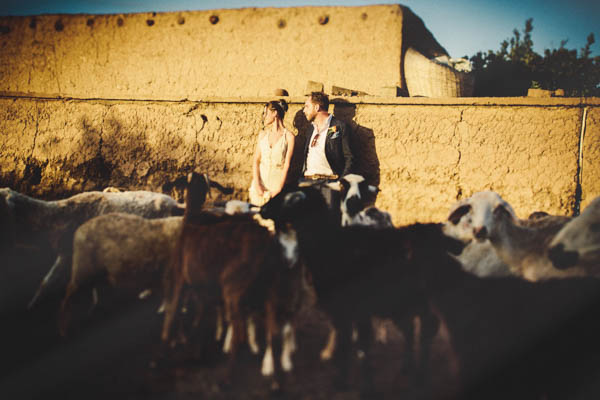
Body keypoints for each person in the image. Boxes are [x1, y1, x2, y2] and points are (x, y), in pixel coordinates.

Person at [249, 99, 295, 206]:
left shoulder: (289, 137)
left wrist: (279, 189)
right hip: (260, 184)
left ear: (275, 113)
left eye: (266, 113)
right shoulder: (263, 135)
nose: (264, 116)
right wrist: (257, 185)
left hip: (276, 185)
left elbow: (287, 165)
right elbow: (256, 161)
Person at [301, 91, 354, 181]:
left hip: (329, 183)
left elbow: (350, 158)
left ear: (317, 107)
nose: (304, 110)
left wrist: (341, 183)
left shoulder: (340, 127)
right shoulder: (310, 129)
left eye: (307, 106)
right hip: (307, 182)